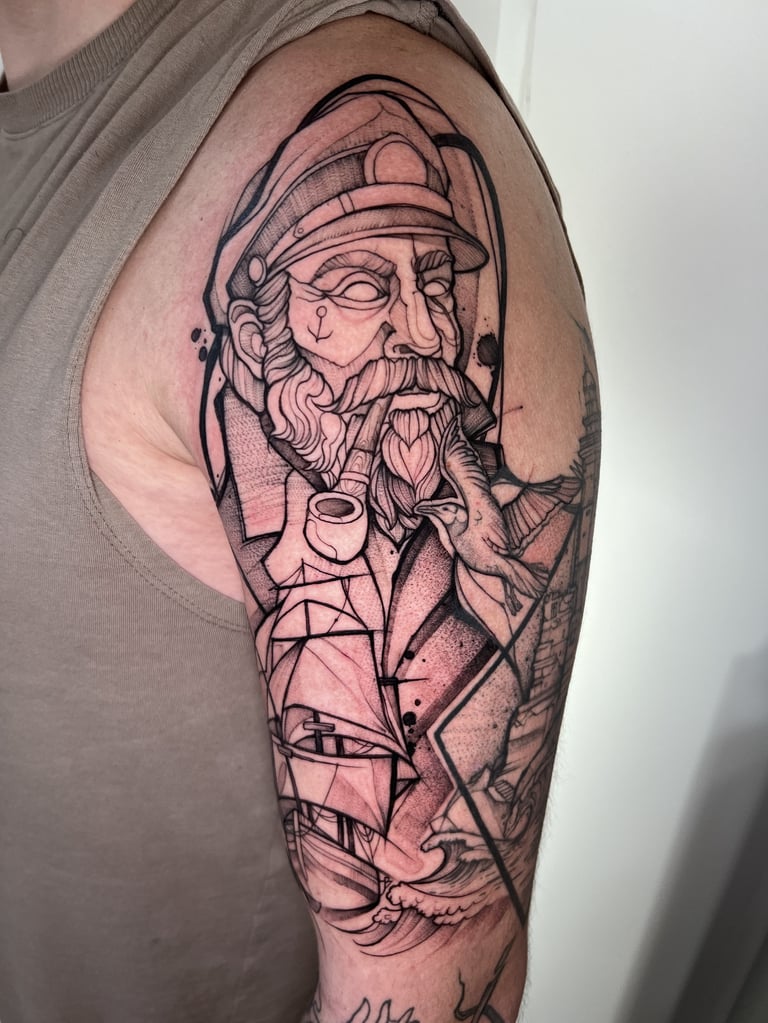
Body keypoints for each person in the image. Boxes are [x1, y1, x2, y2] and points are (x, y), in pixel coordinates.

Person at [0, 2, 599, 1022]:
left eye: (435, 281)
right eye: (364, 284)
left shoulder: (299, 88)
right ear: (260, 336)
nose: (425, 335)